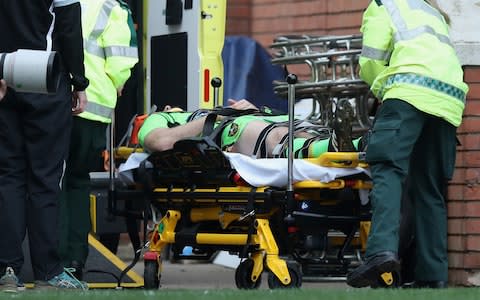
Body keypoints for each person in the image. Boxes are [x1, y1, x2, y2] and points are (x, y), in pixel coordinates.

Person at [346, 0, 468, 289]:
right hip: (448, 100)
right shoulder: (433, 11)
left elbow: (372, 61)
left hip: (408, 92)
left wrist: (381, 90)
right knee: (430, 187)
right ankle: (433, 274)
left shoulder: (382, 4)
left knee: (388, 169)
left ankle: (380, 252)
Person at [0, 0, 89, 291]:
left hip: (3, 73)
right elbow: (68, 26)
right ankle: (48, 271)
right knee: (46, 178)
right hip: (44, 75)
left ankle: (7, 269)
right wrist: (79, 81)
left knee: (8, 176)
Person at [58, 0, 139, 280]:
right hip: (92, 106)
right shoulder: (113, 8)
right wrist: (117, 84)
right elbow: (121, 59)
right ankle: (74, 260)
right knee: (78, 182)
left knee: (49, 180)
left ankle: (48, 257)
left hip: (52, 98)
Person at [138, 98, 365, 158]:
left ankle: (358, 144)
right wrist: (217, 116)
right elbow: (161, 142)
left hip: (251, 118)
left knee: (304, 131)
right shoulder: (159, 118)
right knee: (275, 137)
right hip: (229, 130)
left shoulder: (198, 112)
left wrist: (251, 108)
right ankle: (340, 146)